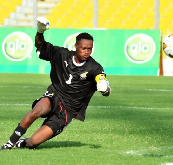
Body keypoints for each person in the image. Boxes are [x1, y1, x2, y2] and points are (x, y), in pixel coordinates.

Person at [1, 17, 111, 150]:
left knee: (33, 142)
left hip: (68, 111)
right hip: (55, 94)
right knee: (37, 111)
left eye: (90, 49)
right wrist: (39, 32)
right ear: (76, 46)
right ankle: (10, 142)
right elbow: (41, 46)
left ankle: (24, 142)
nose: (87, 52)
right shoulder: (61, 54)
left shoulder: (95, 68)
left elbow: (104, 83)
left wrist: (105, 89)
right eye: (83, 48)